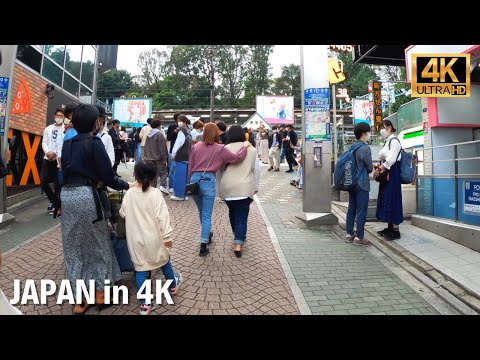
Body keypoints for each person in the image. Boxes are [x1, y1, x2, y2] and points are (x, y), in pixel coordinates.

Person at [60, 104, 132, 315]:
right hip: (86, 195)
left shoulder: (68, 143)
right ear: (95, 122)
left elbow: (64, 171)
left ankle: (79, 300)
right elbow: (108, 176)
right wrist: (126, 185)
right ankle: (101, 294)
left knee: (73, 246)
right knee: (99, 242)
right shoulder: (95, 142)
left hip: (67, 195)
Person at [119, 161, 183, 315]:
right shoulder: (155, 194)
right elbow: (163, 219)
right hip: (155, 239)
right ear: (154, 176)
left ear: (136, 175)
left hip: (136, 241)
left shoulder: (130, 194)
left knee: (141, 270)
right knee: (164, 261)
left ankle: (145, 305)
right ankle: (173, 286)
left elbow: (123, 213)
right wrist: (167, 238)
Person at [188, 123, 251, 256]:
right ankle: (203, 244)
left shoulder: (196, 146)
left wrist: (189, 184)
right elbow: (236, 158)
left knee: (201, 212)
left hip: (194, 181)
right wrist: (244, 147)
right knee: (206, 214)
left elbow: (190, 166)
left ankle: (208, 233)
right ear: (217, 133)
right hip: (208, 181)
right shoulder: (220, 148)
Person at [219, 125, 260, 258]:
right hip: (244, 188)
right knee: (242, 217)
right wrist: (255, 187)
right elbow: (257, 170)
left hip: (227, 187)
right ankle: (238, 243)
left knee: (232, 213)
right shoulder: (252, 149)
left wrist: (220, 187)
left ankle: (238, 236)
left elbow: (220, 170)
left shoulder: (224, 149)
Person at [345, 122, 374, 246]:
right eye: (368, 132)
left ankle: (349, 234)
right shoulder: (365, 148)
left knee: (351, 208)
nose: (369, 134)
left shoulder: (352, 147)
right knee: (361, 210)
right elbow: (369, 167)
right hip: (361, 184)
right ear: (363, 133)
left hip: (351, 183)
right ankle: (359, 238)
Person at [375, 119, 403, 240]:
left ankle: (396, 230)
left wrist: (380, 168)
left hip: (393, 173)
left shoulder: (394, 141)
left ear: (390, 127)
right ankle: (390, 226)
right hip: (388, 173)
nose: (381, 130)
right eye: (380, 128)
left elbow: (390, 160)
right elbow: (382, 155)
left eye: (383, 127)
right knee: (386, 198)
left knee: (392, 198)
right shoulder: (388, 141)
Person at [41, 108, 64, 215]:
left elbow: (62, 144)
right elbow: (44, 143)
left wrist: (54, 153)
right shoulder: (48, 128)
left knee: (57, 184)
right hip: (47, 158)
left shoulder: (65, 129)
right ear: (54, 116)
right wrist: (48, 152)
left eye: (61, 116)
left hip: (58, 160)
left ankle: (56, 205)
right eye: (57, 115)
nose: (59, 117)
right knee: (43, 182)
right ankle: (54, 202)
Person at [144, 119, 169, 195]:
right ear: (159, 125)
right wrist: (164, 158)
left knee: (153, 174)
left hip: (148, 158)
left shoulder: (149, 135)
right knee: (163, 172)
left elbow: (145, 146)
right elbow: (162, 148)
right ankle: (163, 187)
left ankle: (153, 189)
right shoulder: (159, 134)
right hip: (158, 159)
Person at [170, 115, 192, 201]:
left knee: (179, 176)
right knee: (186, 177)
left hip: (181, 155)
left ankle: (179, 194)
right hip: (187, 155)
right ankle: (185, 194)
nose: (178, 122)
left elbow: (178, 144)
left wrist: (173, 154)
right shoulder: (189, 131)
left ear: (184, 122)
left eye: (179, 120)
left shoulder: (181, 131)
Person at [167, 112, 183, 193]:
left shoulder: (185, 128)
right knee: (172, 170)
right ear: (176, 119)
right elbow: (168, 138)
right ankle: (171, 186)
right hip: (173, 151)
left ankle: (179, 186)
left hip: (182, 152)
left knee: (180, 170)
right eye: (180, 118)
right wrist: (174, 132)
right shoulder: (171, 127)